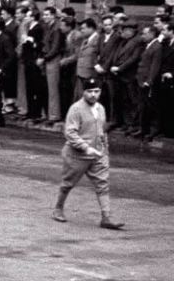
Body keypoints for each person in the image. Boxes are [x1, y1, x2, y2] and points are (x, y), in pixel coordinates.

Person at [51, 78, 124, 230]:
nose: (93, 95)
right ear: (83, 92)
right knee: (68, 183)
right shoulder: (76, 109)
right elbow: (70, 133)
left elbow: (102, 131)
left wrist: (105, 150)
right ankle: (58, 208)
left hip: (97, 154)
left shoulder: (101, 108)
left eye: (96, 91)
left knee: (103, 185)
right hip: (76, 155)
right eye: (89, 91)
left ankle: (106, 217)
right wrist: (85, 147)